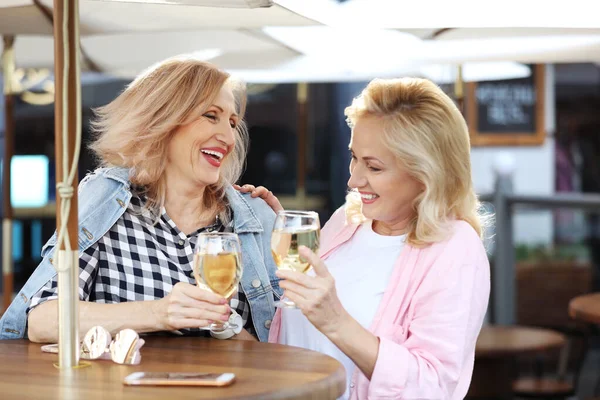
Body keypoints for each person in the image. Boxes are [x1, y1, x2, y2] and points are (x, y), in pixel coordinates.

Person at [238, 78, 491, 399]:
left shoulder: (455, 249)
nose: (353, 179)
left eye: (373, 166)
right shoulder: (350, 217)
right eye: (354, 157)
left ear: (426, 173)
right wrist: (280, 229)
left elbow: (433, 387)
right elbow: (308, 303)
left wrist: (337, 322)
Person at [0, 57, 281, 343]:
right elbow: (42, 321)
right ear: (163, 119)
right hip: (122, 388)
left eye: (232, 123)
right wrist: (158, 314)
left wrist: (225, 323)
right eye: (211, 116)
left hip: (234, 387)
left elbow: (288, 344)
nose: (228, 137)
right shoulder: (108, 200)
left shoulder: (254, 218)